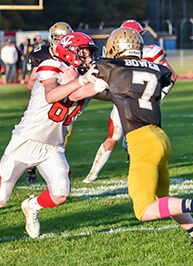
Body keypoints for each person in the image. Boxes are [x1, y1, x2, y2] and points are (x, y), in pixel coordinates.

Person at [0, 32, 98, 253]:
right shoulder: (50, 66)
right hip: (25, 141)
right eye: (83, 52)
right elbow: (51, 95)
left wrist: (105, 79)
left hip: (52, 146)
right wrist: (81, 80)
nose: (87, 58)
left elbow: (87, 91)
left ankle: (31, 205)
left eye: (88, 53)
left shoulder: (83, 74)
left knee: (61, 193)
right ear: (69, 52)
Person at [68, 27, 193, 245]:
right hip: (160, 138)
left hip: (142, 141)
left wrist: (75, 84)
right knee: (163, 200)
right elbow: (126, 92)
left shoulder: (111, 66)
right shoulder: (155, 68)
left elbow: (76, 94)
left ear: (116, 47)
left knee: (143, 209)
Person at [82, 19, 177, 183]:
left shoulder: (149, 53)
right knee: (115, 137)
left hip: (138, 101)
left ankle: (139, 167)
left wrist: (158, 96)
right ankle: (92, 174)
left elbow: (170, 74)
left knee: (133, 139)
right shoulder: (131, 53)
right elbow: (170, 75)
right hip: (125, 99)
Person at [25, 22, 73, 184]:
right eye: (57, 38)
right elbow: (31, 82)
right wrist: (51, 85)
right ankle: (31, 166)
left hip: (64, 104)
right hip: (43, 103)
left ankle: (55, 168)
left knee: (61, 136)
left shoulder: (73, 54)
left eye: (63, 38)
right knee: (36, 136)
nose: (59, 41)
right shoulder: (43, 54)